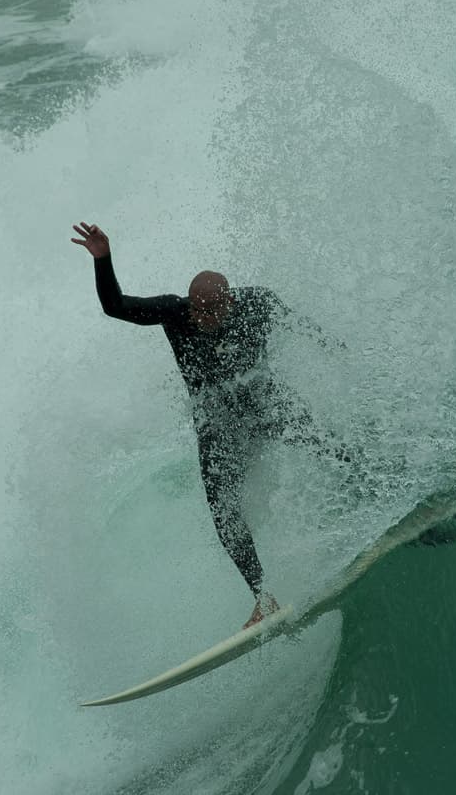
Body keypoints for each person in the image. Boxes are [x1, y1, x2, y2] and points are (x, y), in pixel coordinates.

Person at [71, 221, 348, 629]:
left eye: (210, 311)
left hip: (267, 403)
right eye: (196, 311)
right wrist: (103, 259)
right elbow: (116, 306)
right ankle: (263, 596)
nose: (201, 319)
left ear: (230, 302)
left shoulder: (258, 303)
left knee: (332, 449)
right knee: (224, 512)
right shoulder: (173, 312)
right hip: (217, 423)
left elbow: (304, 329)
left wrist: (341, 355)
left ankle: (391, 502)